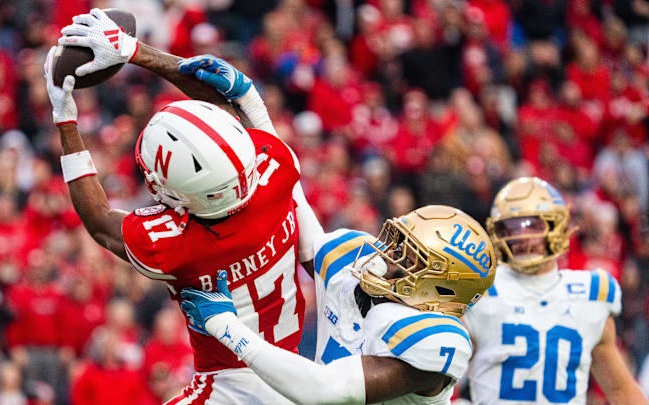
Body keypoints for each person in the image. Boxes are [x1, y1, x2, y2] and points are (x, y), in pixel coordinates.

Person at [47, 9, 323, 404]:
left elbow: (99, 222)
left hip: (228, 389)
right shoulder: (276, 170)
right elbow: (230, 109)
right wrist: (132, 50)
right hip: (297, 372)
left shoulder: (177, 244)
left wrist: (65, 116)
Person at [181, 205, 497, 404]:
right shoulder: (357, 276)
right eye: (398, 243)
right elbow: (290, 200)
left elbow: (331, 390)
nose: (387, 255)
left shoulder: (437, 340)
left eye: (410, 258)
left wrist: (226, 326)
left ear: (441, 288)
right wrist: (252, 108)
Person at [463, 177, 648, 404]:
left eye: (534, 225)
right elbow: (439, 375)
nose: (523, 237)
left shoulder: (590, 293)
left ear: (557, 227)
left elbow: (621, 391)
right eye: (511, 227)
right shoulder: (480, 290)